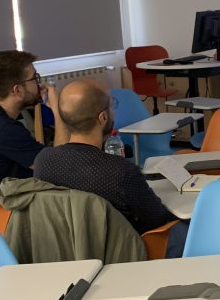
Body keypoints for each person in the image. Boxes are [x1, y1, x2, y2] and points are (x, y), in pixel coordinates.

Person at [32, 79, 185, 254]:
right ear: (103, 118)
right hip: (121, 253)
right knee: (186, 227)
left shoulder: (43, 161)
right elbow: (156, 219)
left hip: (67, 253)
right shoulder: (120, 170)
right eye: (112, 106)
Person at [0, 50, 66, 203]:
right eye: (34, 78)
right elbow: (57, 166)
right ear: (17, 90)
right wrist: (57, 110)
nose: (39, 83)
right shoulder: (4, 130)